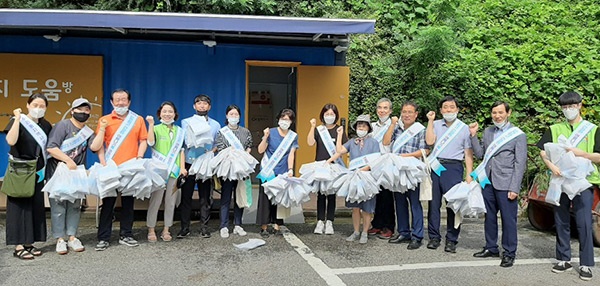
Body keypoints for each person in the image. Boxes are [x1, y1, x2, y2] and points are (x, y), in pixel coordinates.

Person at [537, 91, 597, 281]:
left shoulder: (593, 129)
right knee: (561, 219)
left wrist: (583, 154)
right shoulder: (554, 128)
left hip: (583, 182)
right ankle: (563, 258)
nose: (568, 110)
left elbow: (598, 156)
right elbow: (542, 151)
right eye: (564, 107)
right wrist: (551, 165)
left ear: (580, 105)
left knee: (584, 222)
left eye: (571, 106)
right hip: (560, 179)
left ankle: (586, 263)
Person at [469, 101, 527, 267]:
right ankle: (491, 247)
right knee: (489, 217)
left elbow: (520, 163)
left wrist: (515, 187)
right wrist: (473, 136)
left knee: (509, 220)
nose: (497, 116)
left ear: (508, 113)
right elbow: (481, 154)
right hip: (488, 181)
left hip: (507, 183)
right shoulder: (488, 132)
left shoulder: (518, 135)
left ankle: (509, 252)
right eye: (494, 112)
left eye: (500, 112)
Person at [90, 89, 148, 251]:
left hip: (130, 167)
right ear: (111, 102)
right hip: (111, 166)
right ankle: (103, 237)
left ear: (129, 102)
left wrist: (140, 156)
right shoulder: (105, 120)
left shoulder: (137, 120)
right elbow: (99, 144)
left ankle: (126, 234)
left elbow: (143, 140)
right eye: (117, 100)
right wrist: (103, 162)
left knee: (128, 203)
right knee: (108, 202)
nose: (121, 102)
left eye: (124, 100)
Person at [4, 93, 52, 260]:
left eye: (42, 106)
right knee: (19, 206)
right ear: (28, 105)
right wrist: (17, 119)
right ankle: (18, 246)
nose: (38, 109)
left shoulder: (46, 125)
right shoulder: (19, 121)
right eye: (35, 105)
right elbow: (11, 140)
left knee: (35, 206)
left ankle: (29, 242)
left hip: (37, 170)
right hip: (20, 170)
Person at [425, 96, 473, 253]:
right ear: (440, 110)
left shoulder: (464, 128)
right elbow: (430, 142)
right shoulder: (436, 124)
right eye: (445, 107)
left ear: (457, 110)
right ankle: (434, 237)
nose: (448, 110)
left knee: (454, 204)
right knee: (434, 204)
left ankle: (452, 239)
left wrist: (469, 174)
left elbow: (468, 153)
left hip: (454, 167)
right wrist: (430, 121)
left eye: (452, 107)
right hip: (436, 165)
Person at [46, 98, 95, 254]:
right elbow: (51, 148)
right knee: (58, 206)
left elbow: (95, 146)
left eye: (86, 110)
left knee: (74, 206)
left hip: (76, 173)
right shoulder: (63, 125)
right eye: (79, 110)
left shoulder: (87, 131)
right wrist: (68, 160)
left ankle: (72, 237)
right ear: (72, 111)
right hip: (58, 172)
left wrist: (101, 131)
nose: (83, 113)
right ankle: (60, 239)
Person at [327, 114, 379, 244]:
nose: (361, 127)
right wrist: (339, 135)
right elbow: (339, 150)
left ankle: (365, 232)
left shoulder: (374, 142)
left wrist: (364, 169)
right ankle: (356, 231)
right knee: (355, 208)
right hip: (354, 178)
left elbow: (376, 160)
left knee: (366, 208)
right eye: (359, 125)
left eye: (364, 125)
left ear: (368, 127)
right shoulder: (352, 141)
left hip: (367, 178)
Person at [382, 101, 427, 249]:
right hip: (397, 170)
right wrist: (393, 124)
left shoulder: (420, 129)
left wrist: (407, 156)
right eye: (404, 112)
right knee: (399, 202)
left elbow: (425, 151)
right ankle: (403, 232)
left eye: (410, 112)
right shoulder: (397, 128)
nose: (406, 115)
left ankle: (417, 235)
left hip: (412, 170)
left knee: (414, 203)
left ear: (416, 114)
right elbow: (386, 142)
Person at [178, 94, 220, 239]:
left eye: (205, 103)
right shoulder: (185, 122)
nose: (202, 106)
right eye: (199, 103)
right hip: (189, 162)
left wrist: (211, 152)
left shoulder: (215, 124)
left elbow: (217, 144)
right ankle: (184, 227)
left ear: (209, 106)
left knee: (205, 197)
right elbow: (182, 144)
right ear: (194, 106)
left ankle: (204, 227)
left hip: (205, 163)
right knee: (186, 197)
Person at [145, 101, 186, 242]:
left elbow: (181, 151)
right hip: (158, 172)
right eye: (164, 111)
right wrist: (150, 125)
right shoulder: (155, 128)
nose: (167, 114)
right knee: (155, 201)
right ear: (160, 113)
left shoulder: (179, 131)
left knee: (170, 202)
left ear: (175, 114)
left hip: (174, 172)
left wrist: (182, 167)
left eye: (170, 111)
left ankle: (166, 229)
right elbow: (150, 142)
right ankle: (151, 229)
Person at [256, 108, 299, 238]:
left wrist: (291, 169)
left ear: (291, 121)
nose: (285, 121)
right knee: (265, 200)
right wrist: (265, 137)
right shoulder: (271, 132)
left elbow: (291, 154)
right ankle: (264, 227)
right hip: (268, 171)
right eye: (283, 118)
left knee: (279, 200)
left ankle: (277, 225)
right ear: (278, 119)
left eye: (288, 119)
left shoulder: (293, 136)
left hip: (283, 172)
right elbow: (260, 150)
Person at [307, 103, 348, 235]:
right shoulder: (319, 129)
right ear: (322, 115)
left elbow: (341, 150)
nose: (329, 116)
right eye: (327, 114)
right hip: (321, 165)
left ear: (336, 115)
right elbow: (310, 142)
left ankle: (329, 221)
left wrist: (340, 134)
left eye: (332, 114)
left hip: (334, 166)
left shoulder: (339, 129)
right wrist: (312, 127)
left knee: (331, 195)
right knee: (320, 194)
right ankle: (319, 221)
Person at [214, 105, 253, 238]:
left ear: (240, 116)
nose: (234, 117)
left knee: (239, 196)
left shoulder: (245, 132)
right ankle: (224, 226)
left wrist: (244, 156)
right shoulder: (221, 132)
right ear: (226, 116)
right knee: (225, 198)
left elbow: (249, 146)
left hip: (241, 169)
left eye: (236, 114)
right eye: (231, 114)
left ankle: (238, 224)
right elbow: (220, 148)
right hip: (227, 169)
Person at [368, 98, 398, 239]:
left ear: (390, 111)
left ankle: (389, 226)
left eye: (385, 108)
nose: (382, 110)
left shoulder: (396, 125)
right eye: (380, 107)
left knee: (387, 197)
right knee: (377, 196)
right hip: (374, 164)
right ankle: (377, 224)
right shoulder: (371, 126)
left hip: (387, 164)